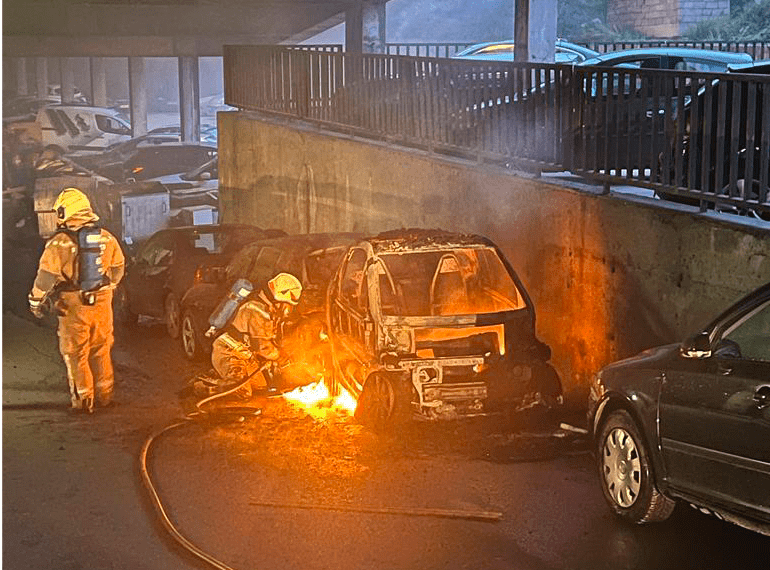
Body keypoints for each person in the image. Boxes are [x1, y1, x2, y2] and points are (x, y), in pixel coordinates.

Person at [28, 187, 125, 413]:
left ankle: (83, 401)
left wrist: (35, 301)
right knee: (101, 350)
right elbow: (118, 269)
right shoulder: (107, 237)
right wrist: (107, 289)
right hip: (102, 303)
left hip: (73, 305)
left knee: (76, 354)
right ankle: (105, 397)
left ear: (64, 212)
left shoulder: (59, 242)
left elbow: (45, 278)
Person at [209, 272, 303, 397]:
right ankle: (204, 385)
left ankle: (225, 373)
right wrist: (281, 357)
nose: (288, 310)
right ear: (279, 299)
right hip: (229, 351)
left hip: (245, 355)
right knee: (242, 391)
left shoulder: (267, 309)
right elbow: (263, 347)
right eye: (288, 305)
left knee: (260, 387)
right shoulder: (256, 310)